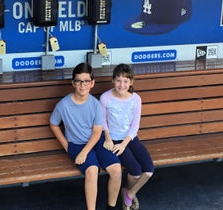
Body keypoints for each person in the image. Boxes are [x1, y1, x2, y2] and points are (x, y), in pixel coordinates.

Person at [50, 62, 122, 210]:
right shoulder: (63, 105)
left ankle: (112, 207)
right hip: (76, 144)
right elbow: (53, 124)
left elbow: (97, 133)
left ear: (92, 83)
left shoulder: (95, 104)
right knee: (92, 171)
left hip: (95, 141)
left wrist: (84, 153)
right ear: (73, 83)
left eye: (86, 81)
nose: (82, 85)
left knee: (116, 169)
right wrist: (66, 146)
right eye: (78, 81)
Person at [100, 63, 154, 210]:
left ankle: (129, 194)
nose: (121, 84)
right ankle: (127, 197)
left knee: (148, 170)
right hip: (114, 139)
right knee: (135, 171)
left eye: (125, 81)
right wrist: (108, 138)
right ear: (112, 80)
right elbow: (102, 120)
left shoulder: (136, 99)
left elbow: (135, 125)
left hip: (129, 139)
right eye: (118, 80)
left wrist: (124, 143)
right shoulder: (105, 98)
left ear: (131, 82)